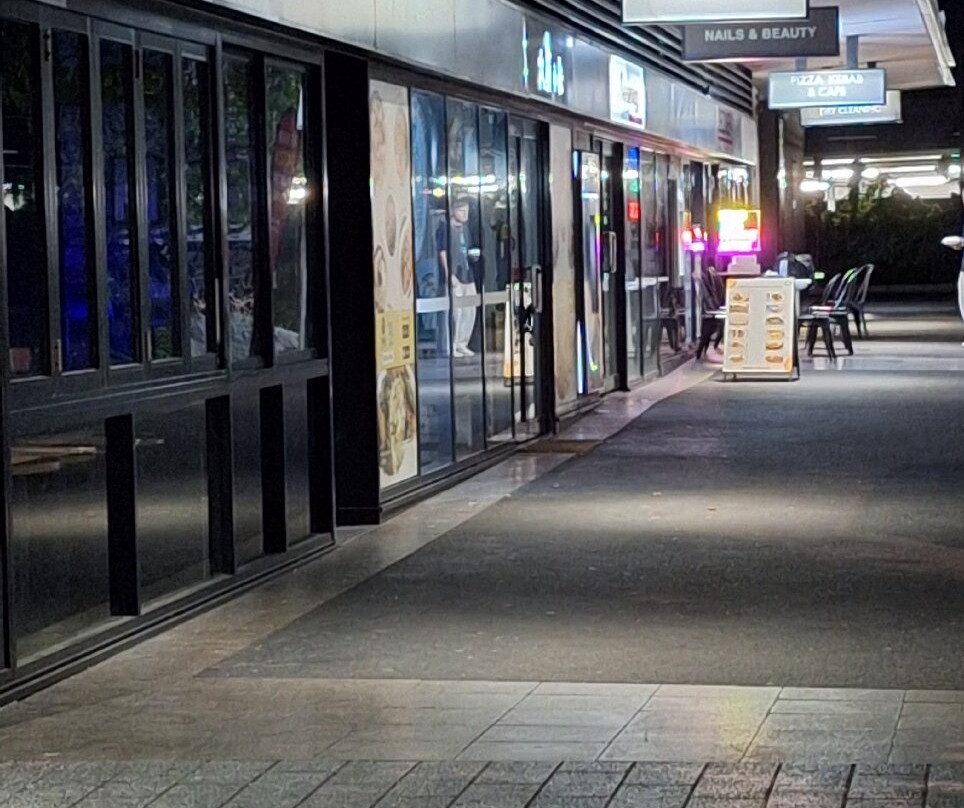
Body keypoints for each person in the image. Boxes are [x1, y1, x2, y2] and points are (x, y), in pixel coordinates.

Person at [438, 195, 479, 357]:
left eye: (466, 211)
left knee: (470, 310)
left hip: (467, 273)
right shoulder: (445, 228)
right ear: (453, 211)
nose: (465, 214)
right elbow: (442, 253)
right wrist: (449, 274)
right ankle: (452, 345)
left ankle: (463, 343)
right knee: (456, 312)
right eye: (462, 211)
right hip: (455, 274)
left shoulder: (465, 229)